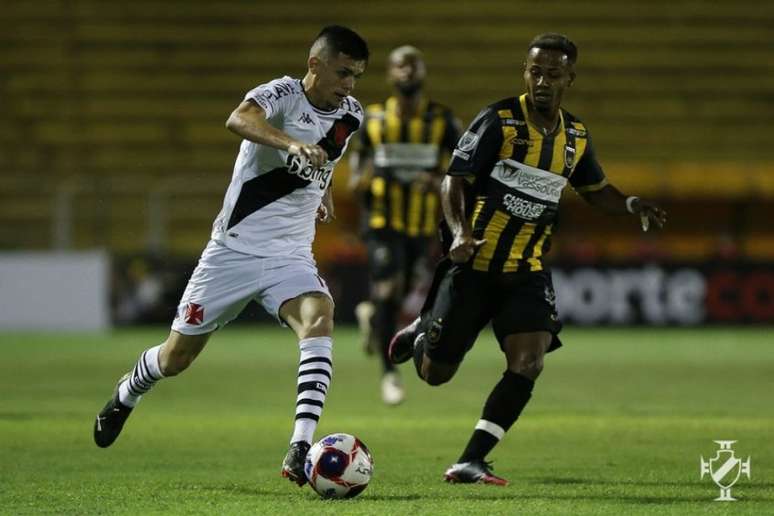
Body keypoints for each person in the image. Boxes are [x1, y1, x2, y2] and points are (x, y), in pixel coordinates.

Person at [92, 25, 369, 487]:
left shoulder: (351, 115)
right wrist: (290, 144)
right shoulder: (280, 94)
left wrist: (323, 194)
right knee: (175, 358)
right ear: (315, 63)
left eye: (356, 76)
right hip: (232, 253)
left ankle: (300, 445)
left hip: (290, 255)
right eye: (342, 73)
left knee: (319, 317)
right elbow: (238, 119)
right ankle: (127, 392)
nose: (349, 86)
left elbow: (326, 161)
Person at [389, 33, 667, 485]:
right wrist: (460, 232)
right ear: (526, 72)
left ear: (569, 78)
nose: (542, 81)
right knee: (435, 374)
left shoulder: (574, 137)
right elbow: (454, 180)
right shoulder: (498, 121)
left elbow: (595, 191)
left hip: (526, 271)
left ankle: (470, 459)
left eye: (552, 74)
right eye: (535, 71)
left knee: (529, 362)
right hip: (474, 267)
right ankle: (423, 332)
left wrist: (632, 205)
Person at [348, 45, 460, 405]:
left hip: (422, 223)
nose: (407, 72)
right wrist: (357, 181)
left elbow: (463, 173)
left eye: (413, 65)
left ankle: (373, 316)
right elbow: (354, 169)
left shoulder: (443, 120)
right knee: (389, 287)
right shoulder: (374, 119)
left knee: (398, 295)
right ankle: (389, 374)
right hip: (382, 220)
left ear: (423, 72)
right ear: (390, 75)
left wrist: (439, 180)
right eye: (400, 66)